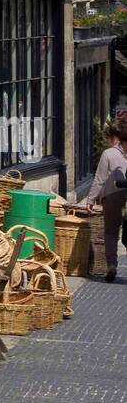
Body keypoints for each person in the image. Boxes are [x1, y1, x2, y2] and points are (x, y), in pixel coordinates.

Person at [85, 115, 127, 281]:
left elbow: (100, 179)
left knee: (110, 232)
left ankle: (111, 265)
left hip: (112, 197)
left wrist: (90, 200)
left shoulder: (108, 154)